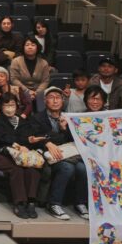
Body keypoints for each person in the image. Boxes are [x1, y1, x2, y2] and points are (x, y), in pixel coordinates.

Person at [27, 86, 88, 221]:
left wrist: (64, 129)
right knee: (67, 168)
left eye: (58, 97)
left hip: (68, 155)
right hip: (49, 157)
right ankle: (54, 204)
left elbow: (76, 139)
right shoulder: (36, 118)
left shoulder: (69, 118)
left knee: (83, 168)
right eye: (51, 97)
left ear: (63, 100)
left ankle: (80, 203)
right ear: (45, 101)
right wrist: (47, 142)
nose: (55, 101)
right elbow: (33, 139)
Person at [0, 93, 41, 219]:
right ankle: (20, 203)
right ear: (0, 107)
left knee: (32, 169)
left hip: (21, 155)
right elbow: (2, 137)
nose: (9, 108)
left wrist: (29, 141)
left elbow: (26, 138)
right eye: (6, 105)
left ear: (17, 106)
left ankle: (31, 202)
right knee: (16, 169)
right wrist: (18, 144)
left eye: (12, 105)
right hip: (1, 154)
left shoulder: (23, 122)